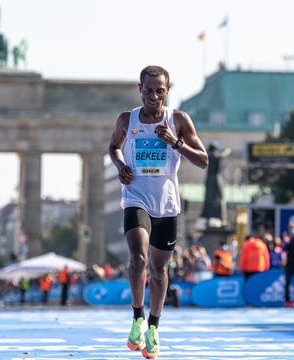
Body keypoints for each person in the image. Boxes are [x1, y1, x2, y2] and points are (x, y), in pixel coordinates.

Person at [109, 65, 208, 359]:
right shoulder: (128, 119)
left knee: (159, 269)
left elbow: (203, 160)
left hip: (166, 203)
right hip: (136, 197)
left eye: (160, 91)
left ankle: (154, 325)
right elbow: (114, 147)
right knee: (138, 258)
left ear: (167, 91)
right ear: (140, 89)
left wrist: (175, 143)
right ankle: (137, 316)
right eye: (148, 90)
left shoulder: (178, 119)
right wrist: (120, 166)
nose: (154, 96)